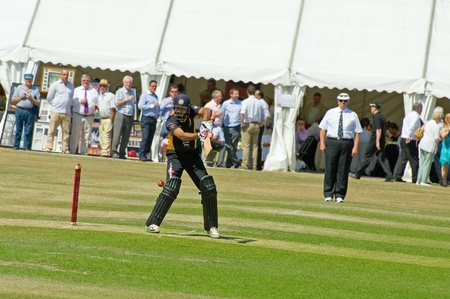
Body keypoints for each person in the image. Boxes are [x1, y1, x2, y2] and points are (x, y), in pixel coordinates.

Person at [145, 94, 220, 238]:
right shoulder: (171, 120)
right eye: (177, 108)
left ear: (188, 108)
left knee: (208, 186)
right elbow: (182, 135)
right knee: (171, 187)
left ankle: (212, 227)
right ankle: (152, 223)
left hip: (192, 156)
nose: (179, 111)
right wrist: (200, 135)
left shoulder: (192, 112)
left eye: (182, 109)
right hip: (175, 156)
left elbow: (207, 111)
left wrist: (205, 123)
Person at [319, 93, 362, 203]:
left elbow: (357, 132)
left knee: (343, 169)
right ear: (337, 101)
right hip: (332, 141)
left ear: (348, 102)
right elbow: (323, 129)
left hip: (346, 142)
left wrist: (355, 147)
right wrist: (322, 143)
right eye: (341, 101)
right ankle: (328, 193)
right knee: (330, 168)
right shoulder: (330, 113)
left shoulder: (353, 115)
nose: (343, 103)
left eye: (345, 101)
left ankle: (340, 194)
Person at [350, 102, 393, 182]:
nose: (371, 109)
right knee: (382, 158)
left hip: (375, 141)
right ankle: (390, 176)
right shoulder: (382, 117)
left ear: (375, 108)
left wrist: (377, 142)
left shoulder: (376, 117)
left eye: (372, 107)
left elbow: (378, 130)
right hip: (381, 141)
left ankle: (357, 174)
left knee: (367, 157)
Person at [45, 69, 74, 153]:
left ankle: (65, 149)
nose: (65, 76)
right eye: (64, 74)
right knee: (52, 130)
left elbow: (71, 98)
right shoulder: (55, 85)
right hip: (56, 111)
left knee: (66, 132)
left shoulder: (71, 86)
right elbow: (49, 98)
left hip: (66, 112)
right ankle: (48, 147)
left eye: (67, 75)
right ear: (61, 75)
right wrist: (55, 104)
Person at [393, 102, 423, 183]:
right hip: (410, 139)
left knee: (403, 157)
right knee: (414, 158)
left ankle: (397, 175)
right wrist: (409, 136)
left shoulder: (408, 115)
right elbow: (412, 126)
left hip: (403, 137)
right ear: (419, 109)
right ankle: (415, 177)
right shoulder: (416, 117)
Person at [69, 74, 99, 155]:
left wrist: (95, 112)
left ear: (90, 82)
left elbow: (97, 104)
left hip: (89, 116)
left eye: (87, 80)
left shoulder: (94, 91)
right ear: (81, 81)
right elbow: (71, 102)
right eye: (84, 80)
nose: (86, 82)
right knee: (75, 134)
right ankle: (72, 151)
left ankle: (83, 152)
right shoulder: (76, 90)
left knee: (86, 136)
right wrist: (79, 101)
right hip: (78, 114)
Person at [11, 73, 40, 151]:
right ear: (24, 80)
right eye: (27, 79)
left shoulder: (35, 89)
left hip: (29, 111)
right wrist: (21, 97)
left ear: (32, 80)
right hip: (19, 109)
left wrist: (32, 99)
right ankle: (16, 146)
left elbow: (39, 103)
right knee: (18, 129)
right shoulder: (19, 88)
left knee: (28, 130)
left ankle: (26, 147)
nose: (28, 81)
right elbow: (13, 100)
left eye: (30, 79)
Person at [416, 107, 443, 186]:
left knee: (422, 163)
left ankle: (419, 180)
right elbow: (436, 138)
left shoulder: (427, 122)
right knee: (427, 163)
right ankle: (423, 181)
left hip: (422, 143)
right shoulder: (436, 125)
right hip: (429, 145)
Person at [240, 85, 263, 170]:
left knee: (246, 146)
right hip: (256, 124)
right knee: (255, 146)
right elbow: (262, 114)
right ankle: (254, 165)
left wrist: (242, 123)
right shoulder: (259, 102)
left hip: (248, 123)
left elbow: (242, 113)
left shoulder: (245, 101)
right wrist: (261, 123)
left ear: (247, 92)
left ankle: (245, 165)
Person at [111, 75, 135, 159]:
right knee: (117, 135)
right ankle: (114, 152)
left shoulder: (132, 92)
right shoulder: (119, 92)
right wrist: (126, 99)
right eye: (127, 82)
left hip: (129, 115)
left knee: (126, 136)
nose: (128, 84)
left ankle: (122, 153)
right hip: (121, 114)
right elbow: (117, 104)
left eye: (130, 83)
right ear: (124, 83)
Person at [138, 80, 159, 161]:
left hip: (153, 119)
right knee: (145, 137)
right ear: (149, 86)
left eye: (155, 86)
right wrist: (151, 106)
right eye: (153, 86)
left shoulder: (156, 96)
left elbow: (157, 106)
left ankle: (147, 155)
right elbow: (140, 106)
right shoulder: (145, 95)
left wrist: (157, 113)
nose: (154, 88)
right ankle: (141, 155)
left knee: (150, 137)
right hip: (146, 118)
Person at [222, 88, 242, 168]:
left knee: (234, 145)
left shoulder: (241, 103)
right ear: (231, 94)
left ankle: (228, 164)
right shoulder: (226, 103)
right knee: (229, 145)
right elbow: (222, 114)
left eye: (238, 94)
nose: (237, 95)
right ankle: (236, 162)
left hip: (236, 126)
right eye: (235, 94)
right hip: (227, 126)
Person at [97, 79, 116, 157]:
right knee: (101, 135)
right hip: (101, 118)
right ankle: (103, 151)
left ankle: (105, 152)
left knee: (106, 135)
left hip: (108, 118)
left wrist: (111, 119)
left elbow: (113, 108)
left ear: (107, 87)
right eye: (101, 86)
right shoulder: (99, 97)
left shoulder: (111, 95)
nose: (102, 87)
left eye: (104, 86)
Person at [255, 89, 270, 170]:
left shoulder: (262, 103)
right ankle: (257, 163)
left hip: (259, 125)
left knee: (257, 144)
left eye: (256, 95)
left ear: (259, 96)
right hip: (259, 124)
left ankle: (258, 163)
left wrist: (262, 124)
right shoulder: (260, 102)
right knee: (256, 144)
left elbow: (267, 115)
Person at [439, 113, 450, 187]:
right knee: (444, 163)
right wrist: (448, 131)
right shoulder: (444, 127)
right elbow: (442, 136)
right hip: (446, 147)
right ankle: (444, 180)